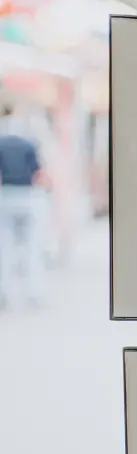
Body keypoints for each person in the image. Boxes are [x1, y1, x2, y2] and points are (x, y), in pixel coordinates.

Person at [0, 105, 48, 308]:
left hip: (6, 195)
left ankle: (4, 293)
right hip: (28, 197)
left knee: (5, 248)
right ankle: (34, 292)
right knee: (32, 247)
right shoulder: (30, 144)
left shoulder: (1, 144)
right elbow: (39, 173)